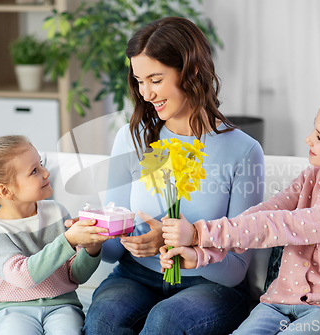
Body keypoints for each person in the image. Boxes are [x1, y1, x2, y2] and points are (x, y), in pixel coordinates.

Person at [160, 93, 320, 335]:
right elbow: (264, 214)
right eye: (314, 129)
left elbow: (283, 225)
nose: (308, 139)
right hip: (279, 301)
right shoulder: (314, 176)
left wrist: (197, 233)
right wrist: (202, 253)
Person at [82, 17, 265, 335]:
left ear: (192, 71)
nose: (146, 93)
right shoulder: (132, 138)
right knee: (103, 322)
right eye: (139, 80)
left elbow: (236, 270)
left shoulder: (243, 151)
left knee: (166, 320)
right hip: (135, 276)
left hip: (210, 283)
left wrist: (181, 244)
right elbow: (112, 253)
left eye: (155, 79)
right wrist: (93, 238)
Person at [0, 135, 113, 335]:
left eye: (41, 164)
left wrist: (91, 247)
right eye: (34, 171)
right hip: (13, 310)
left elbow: (76, 275)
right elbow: (23, 276)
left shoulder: (57, 212)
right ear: (5, 191)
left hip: (63, 306)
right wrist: (68, 240)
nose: (46, 173)